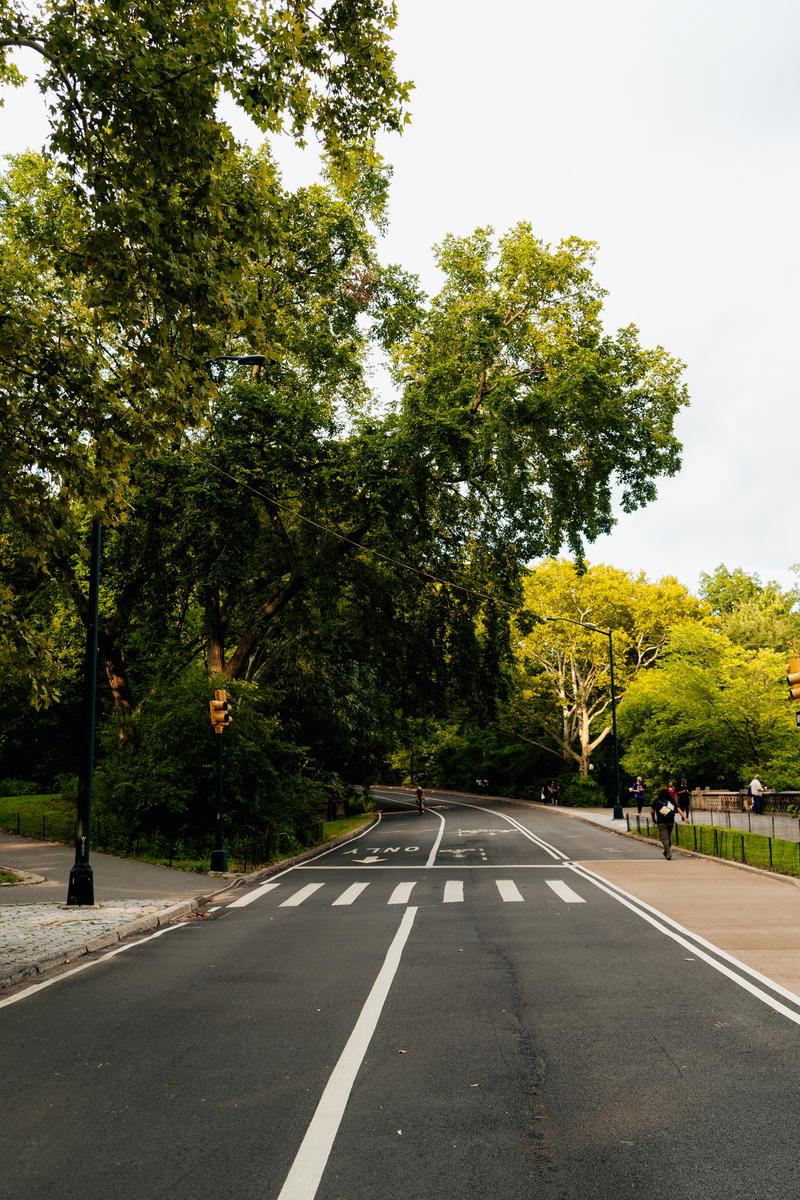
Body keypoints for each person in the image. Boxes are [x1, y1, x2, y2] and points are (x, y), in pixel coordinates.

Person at [651, 784, 688, 860]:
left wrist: (654, 819)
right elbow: (678, 810)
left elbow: (652, 811)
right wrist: (684, 818)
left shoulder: (656, 801)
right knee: (667, 838)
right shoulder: (671, 801)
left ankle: (668, 854)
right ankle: (666, 851)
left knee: (664, 839)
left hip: (661, 822)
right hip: (671, 822)